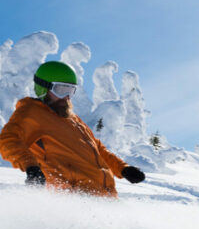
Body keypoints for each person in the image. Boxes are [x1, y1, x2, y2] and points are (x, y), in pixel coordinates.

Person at [0, 60, 146, 197]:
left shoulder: (73, 119)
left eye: (70, 91)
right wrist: (31, 166)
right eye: (61, 90)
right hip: (72, 198)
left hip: (104, 197)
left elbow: (98, 149)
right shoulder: (33, 112)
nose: (66, 97)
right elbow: (8, 139)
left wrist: (123, 168)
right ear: (43, 88)